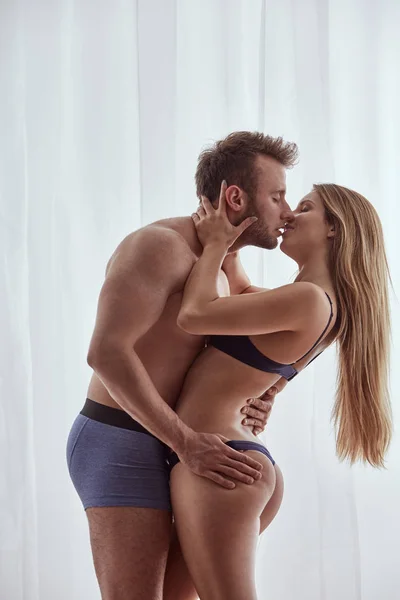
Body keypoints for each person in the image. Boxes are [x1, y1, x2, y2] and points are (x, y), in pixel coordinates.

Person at [66, 131, 299, 600]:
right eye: (277, 196)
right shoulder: (158, 247)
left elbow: (264, 329)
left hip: (178, 441)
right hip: (120, 438)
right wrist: (186, 442)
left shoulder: (225, 259)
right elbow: (106, 353)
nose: (287, 211)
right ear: (236, 197)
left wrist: (266, 390)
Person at [169, 180, 393, 600]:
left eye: (305, 207)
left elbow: (195, 315)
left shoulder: (309, 300)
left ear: (333, 228)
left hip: (223, 467)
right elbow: (237, 289)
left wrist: (216, 243)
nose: (289, 214)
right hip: (233, 463)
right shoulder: (314, 303)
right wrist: (230, 229)